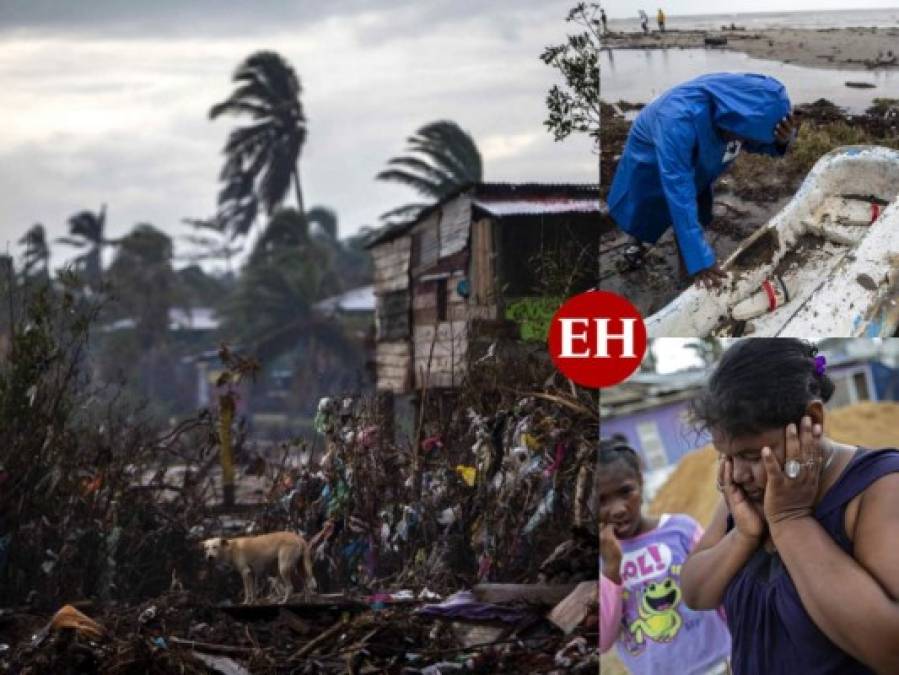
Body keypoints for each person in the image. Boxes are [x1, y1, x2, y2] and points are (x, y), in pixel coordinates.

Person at [681, 339, 899, 674]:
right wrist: (742, 535)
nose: (737, 472)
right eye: (727, 456)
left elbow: (889, 650)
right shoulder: (745, 491)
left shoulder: (879, 488)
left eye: (753, 456)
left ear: (812, 418)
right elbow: (696, 594)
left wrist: (790, 520)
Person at [607, 73, 801, 288]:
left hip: (696, 158)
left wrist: (782, 140)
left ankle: (687, 274)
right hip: (652, 153)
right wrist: (700, 259)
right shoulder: (677, 119)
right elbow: (679, 188)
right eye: (742, 135)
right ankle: (638, 242)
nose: (742, 141)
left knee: (694, 207)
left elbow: (754, 142)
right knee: (646, 207)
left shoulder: (738, 115)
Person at [599, 437, 731, 674]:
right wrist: (611, 570)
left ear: (641, 482)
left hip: (718, 665)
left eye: (625, 491)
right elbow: (603, 640)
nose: (618, 509)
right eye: (601, 500)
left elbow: (719, 591)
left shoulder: (681, 530)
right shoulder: (598, 561)